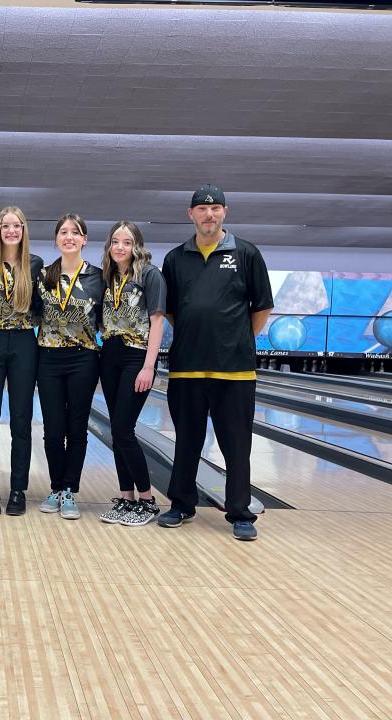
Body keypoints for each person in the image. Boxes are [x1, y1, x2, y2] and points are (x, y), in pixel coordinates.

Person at [158, 184, 273, 541]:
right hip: (187, 367)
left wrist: (233, 340)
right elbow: (173, 311)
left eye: (216, 208)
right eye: (202, 209)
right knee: (186, 441)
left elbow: (261, 308)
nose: (209, 214)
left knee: (236, 445)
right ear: (191, 214)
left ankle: (240, 511)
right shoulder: (175, 259)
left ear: (225, 212)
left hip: (235, 370)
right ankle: (181, 505)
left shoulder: (247, 253)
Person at [0, 207, 43, 516]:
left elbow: (42, 309)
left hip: (24, 341)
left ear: (24, 229)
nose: (11, 230)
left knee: (21, 421)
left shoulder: (35, 264)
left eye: (17, 225)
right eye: (6, 226)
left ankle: (18, 489)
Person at [97, 221, 166, 527]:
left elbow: (157, 322)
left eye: (126, 242)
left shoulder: (150, 275)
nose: (120, 247)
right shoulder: (109, 276)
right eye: (115, 242)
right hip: (109, 354)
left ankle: (148, 501)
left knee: (124, 430)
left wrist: (149, 366)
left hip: (136, 356)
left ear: (137, 245)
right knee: (115, 431)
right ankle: (126, 498)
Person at [36, 213, 104, 520]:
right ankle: (55, 487)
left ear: (84, 239)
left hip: (84, 358)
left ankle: (69, 491)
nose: (69, 237)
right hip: (48, 358)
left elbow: (107, 317)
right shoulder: (44, 276)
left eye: (75, 232)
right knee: (53, 429)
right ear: (56, 239)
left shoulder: (98, 278)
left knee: (76, 428)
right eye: (63, 232)